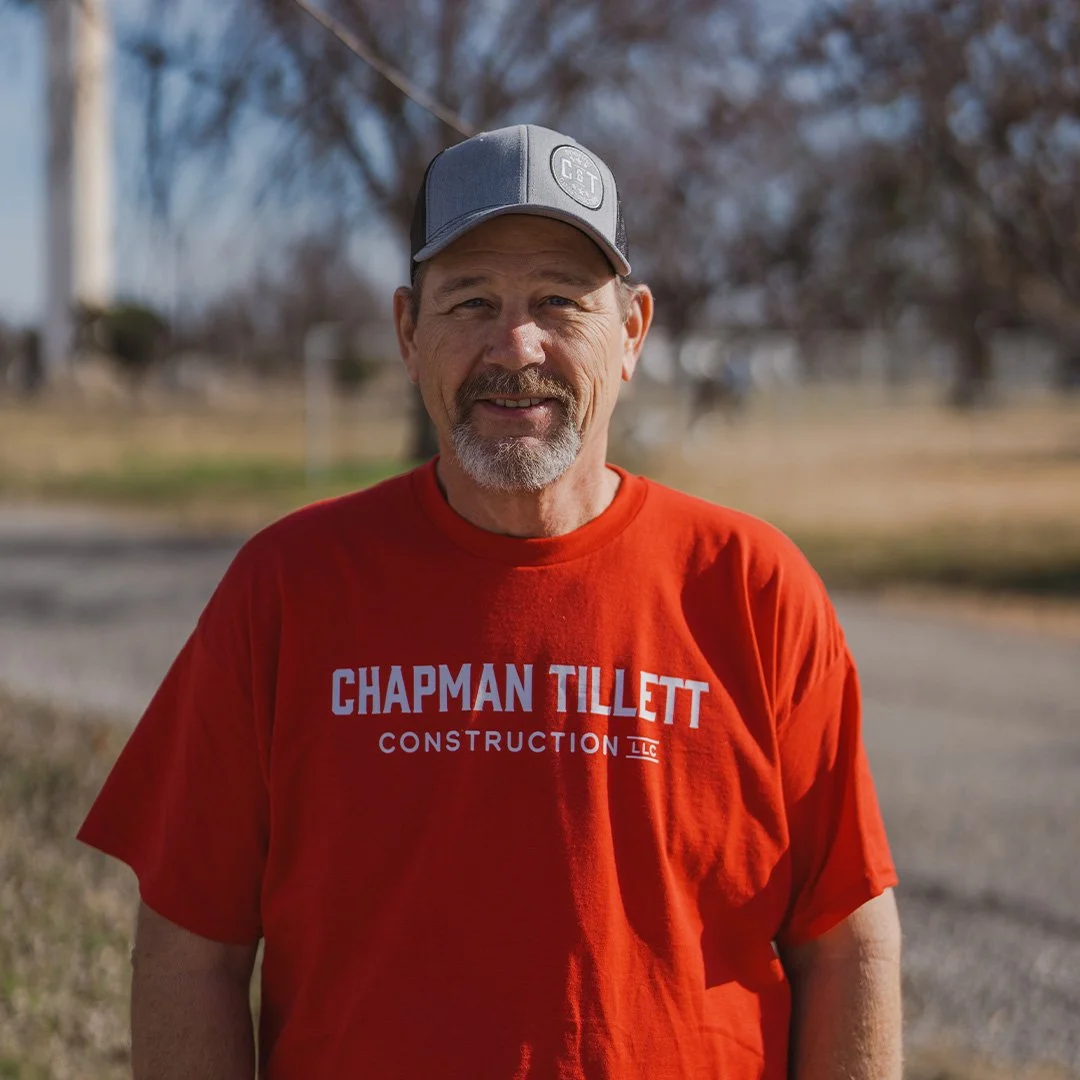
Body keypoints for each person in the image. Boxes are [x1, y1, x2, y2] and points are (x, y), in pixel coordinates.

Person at [79, 123, 902, 1079]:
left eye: (559, 300)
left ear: (631, 331)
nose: (517, 346)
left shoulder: (756, 590)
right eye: (471, 301)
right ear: (406, 332)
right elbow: (189, 952)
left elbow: (850, 945)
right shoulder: (286, 590)